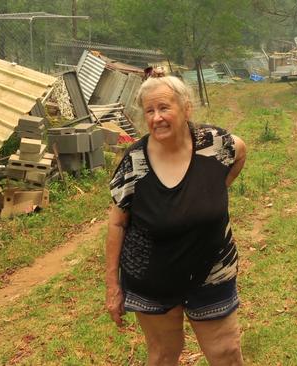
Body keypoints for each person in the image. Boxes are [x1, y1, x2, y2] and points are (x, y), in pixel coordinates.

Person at [106, 75, 247, 366]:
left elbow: (241, 151)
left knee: (226, 353)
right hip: (151, 276)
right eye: (149, 111)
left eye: (164, 108)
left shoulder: (215, 145)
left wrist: (214, 192)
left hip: (212, 268)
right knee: (162, 356)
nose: (157, 117)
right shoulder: (134, 162)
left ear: (186, 108)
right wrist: (113, 286)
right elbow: (117, 223)